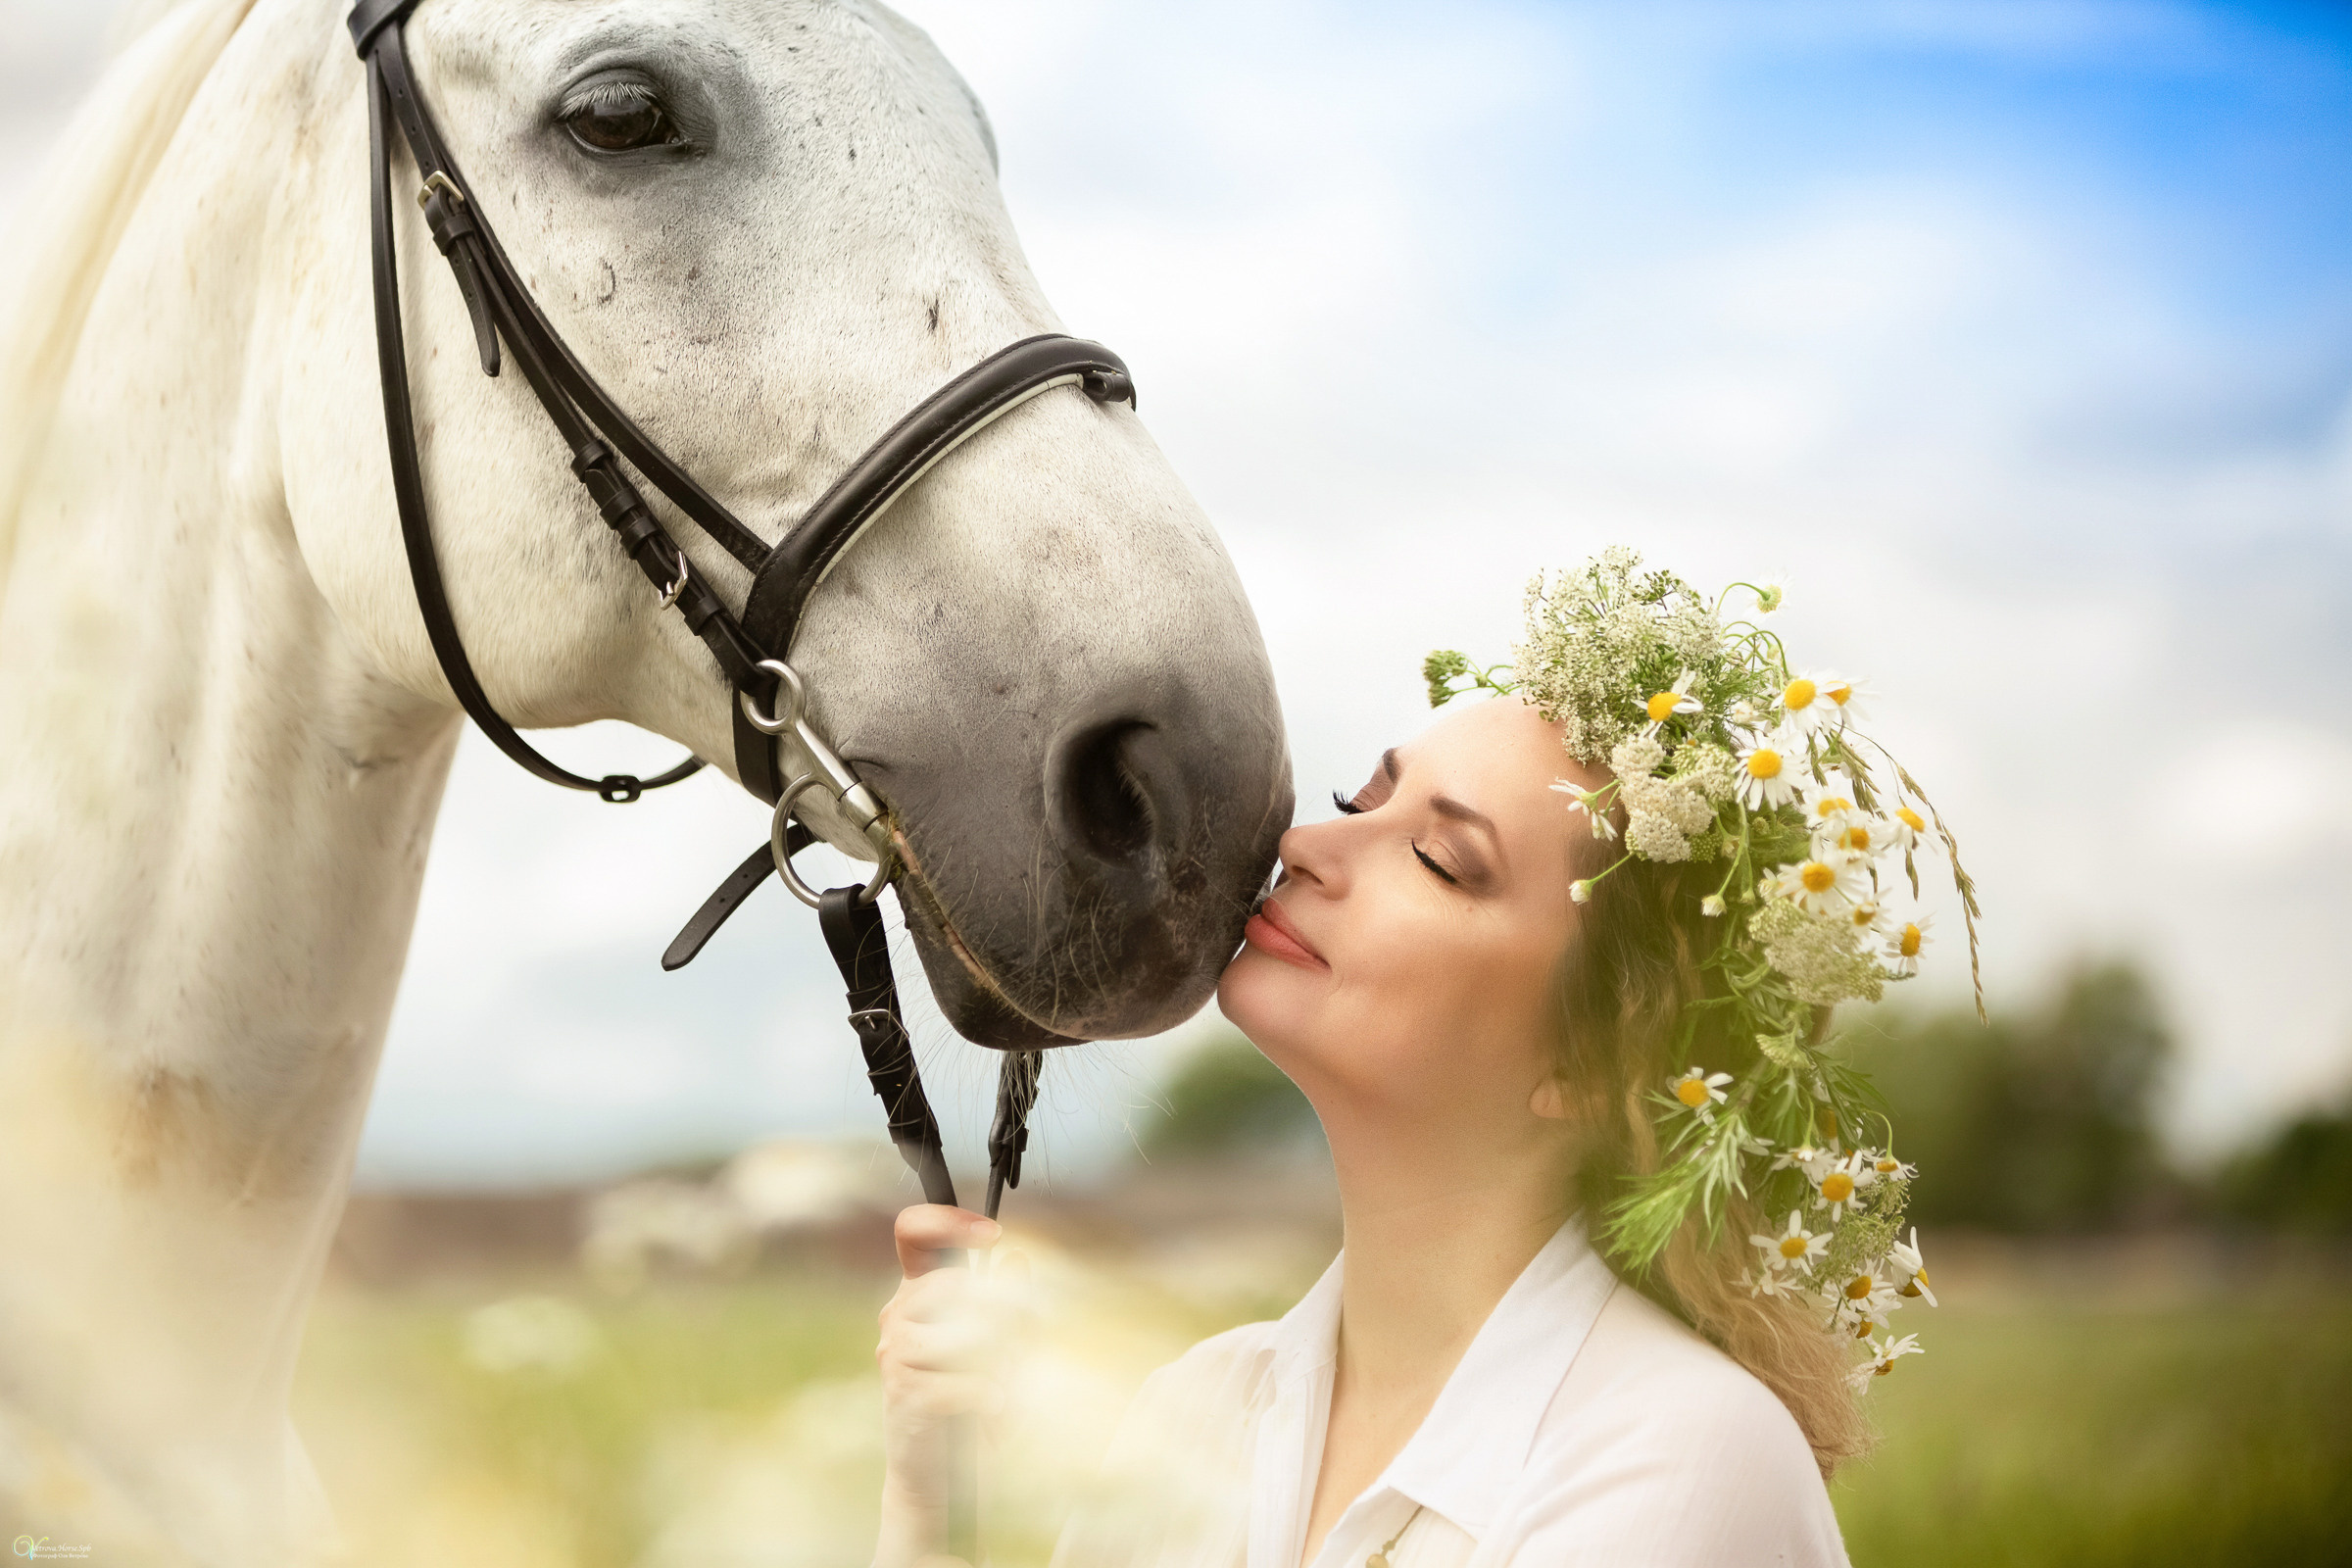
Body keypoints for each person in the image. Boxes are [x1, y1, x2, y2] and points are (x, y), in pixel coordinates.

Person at [872, 553, 1964, 1567]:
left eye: (1440, 860)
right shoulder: (1192, 1412)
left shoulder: (1685, 1455)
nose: (1306, 842)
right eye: (1363, 797)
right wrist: (935, 1498)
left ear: (1596, 1061)